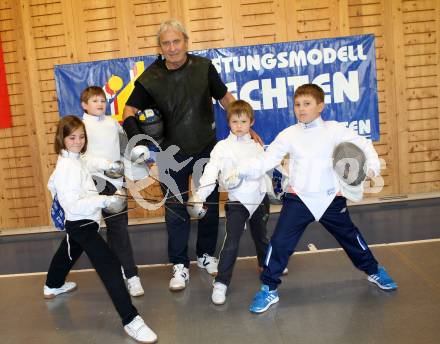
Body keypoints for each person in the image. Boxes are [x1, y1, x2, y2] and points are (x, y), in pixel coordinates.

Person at [229, 84, 397, 314]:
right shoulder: (289, 134)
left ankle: (374, 270)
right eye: (297, 104)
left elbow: (364, 143)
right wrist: (241, 171)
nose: (301, 109)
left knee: (350, 237)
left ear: (320, 106)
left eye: (307, 104)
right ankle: (269, 288)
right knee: (279, 244)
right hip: (299, 199)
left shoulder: (335, 130)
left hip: (331, 198)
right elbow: (267, 160)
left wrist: (373, 168)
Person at [122, 19, 235, 291]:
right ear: (159, 47)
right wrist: (140, 141)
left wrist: (244, 124)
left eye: (176, 41)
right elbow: (127, 113)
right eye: (166, 43)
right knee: (175, 211)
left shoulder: (204, 68)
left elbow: (226, 99)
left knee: (205, 206)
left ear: (186, 42)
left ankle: (206, 255)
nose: (172, 48)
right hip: (169, 154)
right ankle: (179, 265)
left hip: (205, 147)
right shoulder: (150, 77)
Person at [44, 115, 157, 342]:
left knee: (68, 251)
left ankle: (52, 285)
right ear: (62, 138)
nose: (78, 141)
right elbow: (73, 204)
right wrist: (105, 200)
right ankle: (131, 320)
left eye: (81, 136)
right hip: (81, 223)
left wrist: (109, 165)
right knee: (110, 265)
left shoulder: (75, 157)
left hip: (84, 221)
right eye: (72, 137)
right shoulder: (67, 167)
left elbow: (91, 161)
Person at [190, 100, 270, 305]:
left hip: (259, 198)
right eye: (235, 121)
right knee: (231, 242)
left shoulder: (257, 146)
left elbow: (265, 167)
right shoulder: (222, 147)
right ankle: (221, 283)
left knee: (261, 237)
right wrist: (200, 195)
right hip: (238, 201)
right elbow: (210, 172)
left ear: (251, 122)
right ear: (229, 123)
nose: (239, 125)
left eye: (244, 121)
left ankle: (265, 265)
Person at [81, 86, 144, 297]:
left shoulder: (112, 123)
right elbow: (81, 158)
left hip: (116, 181)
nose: (99, 104)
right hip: (95, 183)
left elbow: (124, 148)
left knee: (118, 229)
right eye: (94, 101)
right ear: (84, 105)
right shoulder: (81, 127)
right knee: (82, 232)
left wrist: (137, 162)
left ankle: (130, 275)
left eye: (102, 100)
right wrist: (104, 164)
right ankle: (54, 280)